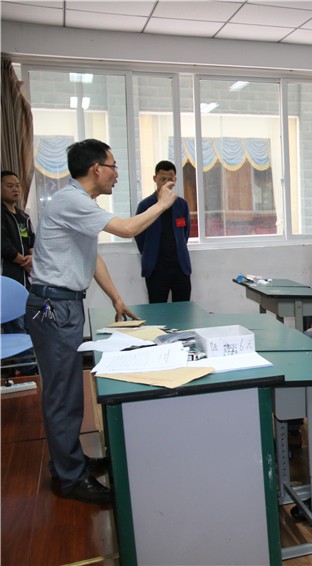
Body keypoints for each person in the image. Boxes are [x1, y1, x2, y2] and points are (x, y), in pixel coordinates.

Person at [26, 139, 177, 504]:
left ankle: (69, 462)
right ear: (96, 168)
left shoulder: (79, 204)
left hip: (61, 306)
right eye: (113, 166)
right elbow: (126, 229)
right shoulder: (72, 201)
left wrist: (116, 298)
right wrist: (162, 203)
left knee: (67, 392)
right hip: (54, 308)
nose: (116, 174)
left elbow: (91, 257)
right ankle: (71, 478)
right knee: (63, 395)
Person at [134, 160, 192, 303]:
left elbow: (185, 233)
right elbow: (139, 235)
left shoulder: (181, 205)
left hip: (180, 268)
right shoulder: (145, 205)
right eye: (162, 179)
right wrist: (150, 251)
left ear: (175, 180)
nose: (166, 183)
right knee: (157, 310)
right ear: (155, 179)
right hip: (156, 269)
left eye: (170, 179)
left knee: (183, 309)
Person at [1, 170, 35, 290]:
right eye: (10, 186)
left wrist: (32, 259)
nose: (15, 189)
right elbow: (4, 246)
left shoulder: (24, 217)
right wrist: (25, 262)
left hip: (25, 275)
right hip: (6, 273)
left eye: (17, 185)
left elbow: (31, 242)